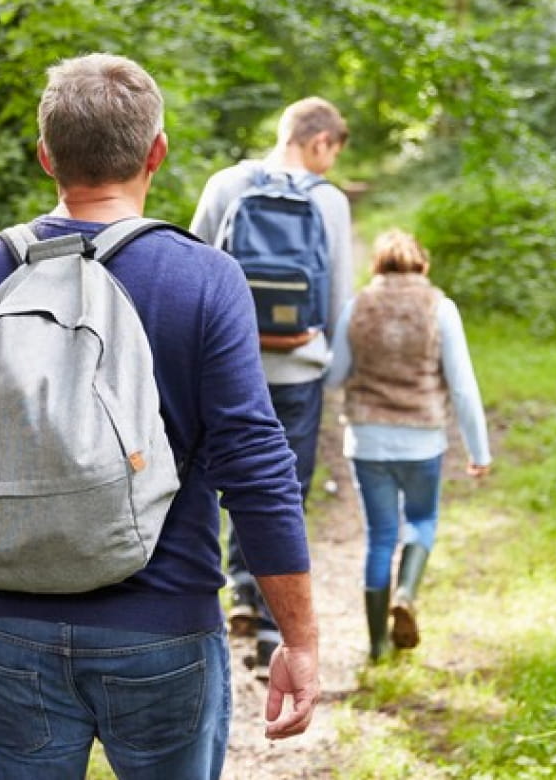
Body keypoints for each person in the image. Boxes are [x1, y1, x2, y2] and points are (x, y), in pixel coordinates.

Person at [0, 54, 320, 778]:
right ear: (156, 151)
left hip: (15, 627)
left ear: (47, 157)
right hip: (164, 628)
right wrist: (299, 637)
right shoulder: (203, 278)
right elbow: (255, 467)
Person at [188, 97, 353, 674]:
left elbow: (194, 271)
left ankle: (233, 591)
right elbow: (338, 296)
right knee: (285, 492)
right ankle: (266, 630)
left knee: (217, 483)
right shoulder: (329, 202)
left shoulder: (226, 183)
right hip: (298, 367)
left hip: (229, 369)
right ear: (320, 142)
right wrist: (328, 365)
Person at [324, 228, 492, 663]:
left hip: (367, 441)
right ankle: (406, 591)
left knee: (380, 538)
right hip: (422, 441)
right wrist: (479, 451)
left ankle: (377, 647)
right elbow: (463, 387)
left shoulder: (357, 306)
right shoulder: (440, 307)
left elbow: (335, 374)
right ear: (422, 263)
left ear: (377, 265)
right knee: (421, 520)